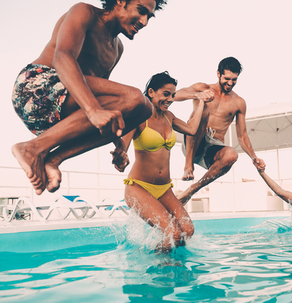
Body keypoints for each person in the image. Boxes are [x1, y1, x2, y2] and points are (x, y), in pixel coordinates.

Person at [11, 0, 167, 195]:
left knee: (144, 109)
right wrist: (93, 110)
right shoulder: (85, 12)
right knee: (135, 97)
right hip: (34, 89)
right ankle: (32, 148)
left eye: (149, 17)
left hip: (59, 111)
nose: (144, 22)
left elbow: (109, 99)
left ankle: (52, 159)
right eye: (141, 11)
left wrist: (119, 143)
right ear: (120, 1)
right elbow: (62, 58)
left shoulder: (117, 49)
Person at [114, 72, 211, 252]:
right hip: (139, 187)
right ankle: (160, 272)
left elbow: (192, 129)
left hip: (164, 188)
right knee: (173, 233)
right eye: (166, 94)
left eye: (173, 95)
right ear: (151, 92)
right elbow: (122, 149)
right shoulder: (139, 118)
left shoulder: (169, 117)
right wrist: (121, 157)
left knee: (187, 231)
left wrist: (201, 103)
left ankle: (163, 260)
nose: (170, 99)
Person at [173, 56, 265, 205]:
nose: (230, 83)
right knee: (203, 111)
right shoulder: (202, 88)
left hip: (212, 149)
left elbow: (242, 136)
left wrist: (254, 157)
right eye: (227, 78)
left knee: (232, 155)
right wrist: (198, 95)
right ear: (218, 74)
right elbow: (174, 95)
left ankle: (190, 191)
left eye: (234, 79)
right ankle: (188, 166)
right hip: (194, 143)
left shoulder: (239, 102)